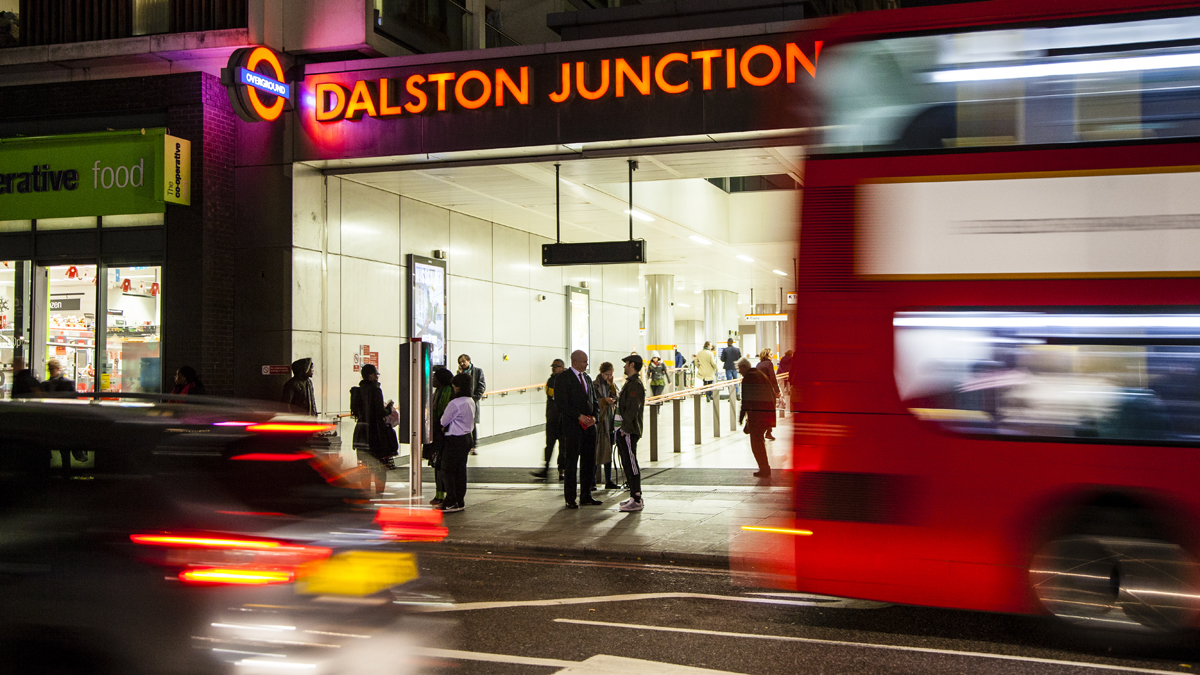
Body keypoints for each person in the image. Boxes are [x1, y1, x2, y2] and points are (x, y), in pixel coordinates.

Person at [554, 349, 601, 508]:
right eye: (584, 361)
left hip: (589, 428)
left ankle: (586, 495)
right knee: (572, 463)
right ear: (575, 362)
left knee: (589, 462)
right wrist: (579, 416)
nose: (587, 364)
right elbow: (562, 403)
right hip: (572, 428)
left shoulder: (587, 378)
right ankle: (570, 498)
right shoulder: (563, 379)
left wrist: (594, 417)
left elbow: (594, 401)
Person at [350, 364, 398, 493]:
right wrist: (389, 408)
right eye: (376, 374)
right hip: (376, 433)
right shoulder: (376, 390)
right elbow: (379, 412)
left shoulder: (357, 391)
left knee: (364, 465)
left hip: (361, 432)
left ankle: (365, 492)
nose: (377, 377)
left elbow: (355, 412)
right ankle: (379, 492)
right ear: (371, 376)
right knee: (380, 466)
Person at [438, 372, 476, 513]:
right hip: (467, 438)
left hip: (454, 439)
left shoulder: (455, 403)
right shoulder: (470, 401)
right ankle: (460, 500)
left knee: (447, 470)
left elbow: (443, 421)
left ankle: (451, 500)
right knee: (461, 470)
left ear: (457, 387)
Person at [616, 354, 647, 513]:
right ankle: (634, 496)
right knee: (627, 463)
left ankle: (636, 496)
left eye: (626, 363)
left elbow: (633, 409)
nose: (624, 366)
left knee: (631, 463)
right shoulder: (630, 383)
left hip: (629, 431)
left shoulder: (635, 385)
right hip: (626, 431)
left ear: (632, 365)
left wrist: (625, 429)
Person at [738, 358, 775, 478]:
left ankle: (764, 468)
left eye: (739, 368)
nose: (739, 371)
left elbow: (746, 399)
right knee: (759, 441)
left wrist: (742, 416)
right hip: (767, 413)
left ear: (744, 367)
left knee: (756, 443)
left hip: (757, 415)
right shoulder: (761, 374)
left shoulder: (748, 378)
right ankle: (764, 467)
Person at [532, 359, 566, 480]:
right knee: (549, 445)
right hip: (552, 419)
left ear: (562, 367)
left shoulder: (566, 379)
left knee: (563, 446)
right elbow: (551, 394)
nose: (553, 368)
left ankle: (562, 470)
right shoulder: (551, 380)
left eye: (556, 366)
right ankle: (546, 468)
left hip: (563, 420)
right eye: (553, 366)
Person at [425, 367, 455, 507]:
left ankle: (446, 495)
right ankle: (439, 495)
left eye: (435, 377)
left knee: (442, 465)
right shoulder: (437, 393)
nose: (433, 380)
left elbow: (445, 415)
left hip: (444, 434)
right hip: (436, 432)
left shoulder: (448, 393)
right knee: (437, 464)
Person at [593, 362, 619, 490]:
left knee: (608, 450)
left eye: (610, 375)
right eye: (606, 374)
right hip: (600, 421)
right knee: (596, 451)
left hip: (610, 420)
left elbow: (617, 396)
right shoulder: (594, 384)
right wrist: (603, 401)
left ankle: (608, 480)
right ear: (601, 373)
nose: (608, 377)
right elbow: (592, 401)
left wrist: (612, 386)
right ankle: (592, 480)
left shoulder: (611, 385)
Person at [457, 354, 486, 454]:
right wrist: (459, 374)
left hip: (472, 401)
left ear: (469, 361)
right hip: (462, 402)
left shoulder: (477, 371)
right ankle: (465, 445)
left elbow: (482, 386)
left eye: (463, 361)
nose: (462, 364)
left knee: (472, 424)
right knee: (463, 423)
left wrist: (475, 399)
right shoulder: (460, 372)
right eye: (460, 362)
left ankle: (474, 445)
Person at [756, 348, 781, 440]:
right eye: (771, 354)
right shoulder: (769, 364)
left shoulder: (758, 364)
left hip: (759, 392)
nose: (772, 356)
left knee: (763, 412)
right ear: (766, 355)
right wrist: (777, 391)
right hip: (768, 391)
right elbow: (773, 378)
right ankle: (768, 432)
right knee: (770, 411)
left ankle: (764, 432)